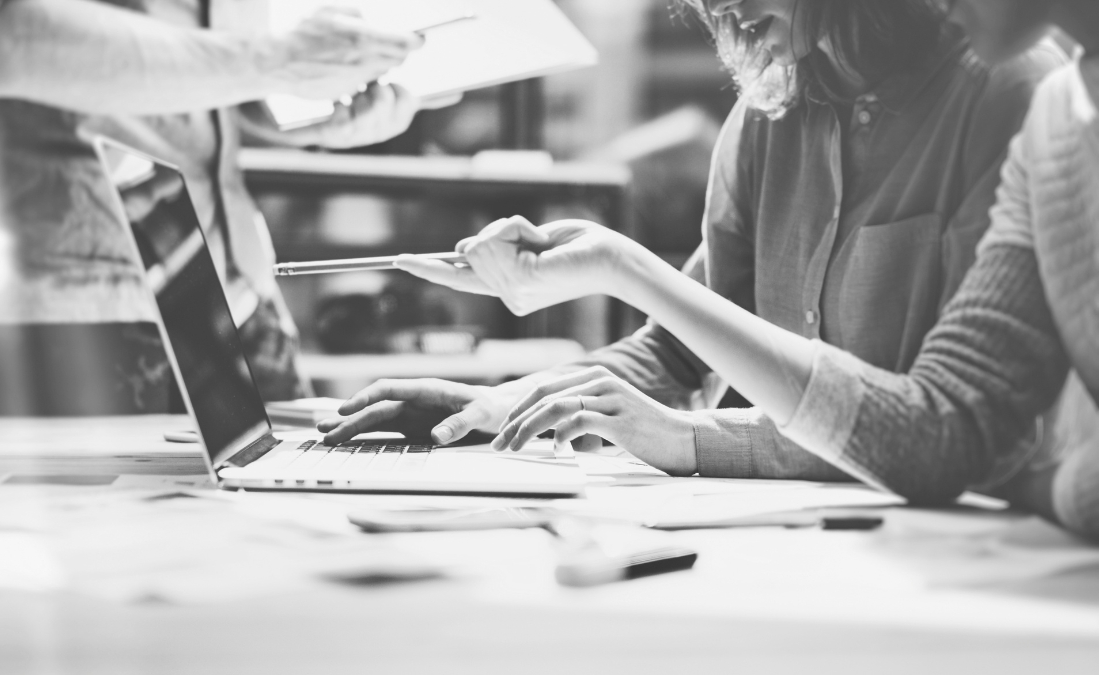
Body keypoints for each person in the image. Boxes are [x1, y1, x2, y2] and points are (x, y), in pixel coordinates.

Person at [345, 0, 1099, 541]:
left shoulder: (1015, 90)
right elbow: (682, 351)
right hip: (837, 544)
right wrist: (505, 405)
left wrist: (694, 437)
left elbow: (953, 432)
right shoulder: (772, 111)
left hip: (973, 540)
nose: (719, 8)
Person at [0, 0, 426, 415]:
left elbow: (195, 90)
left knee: (305, 497)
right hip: (83, 303)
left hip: (235, 278)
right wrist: (278, 61)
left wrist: (306, 117)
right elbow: (8, 42)